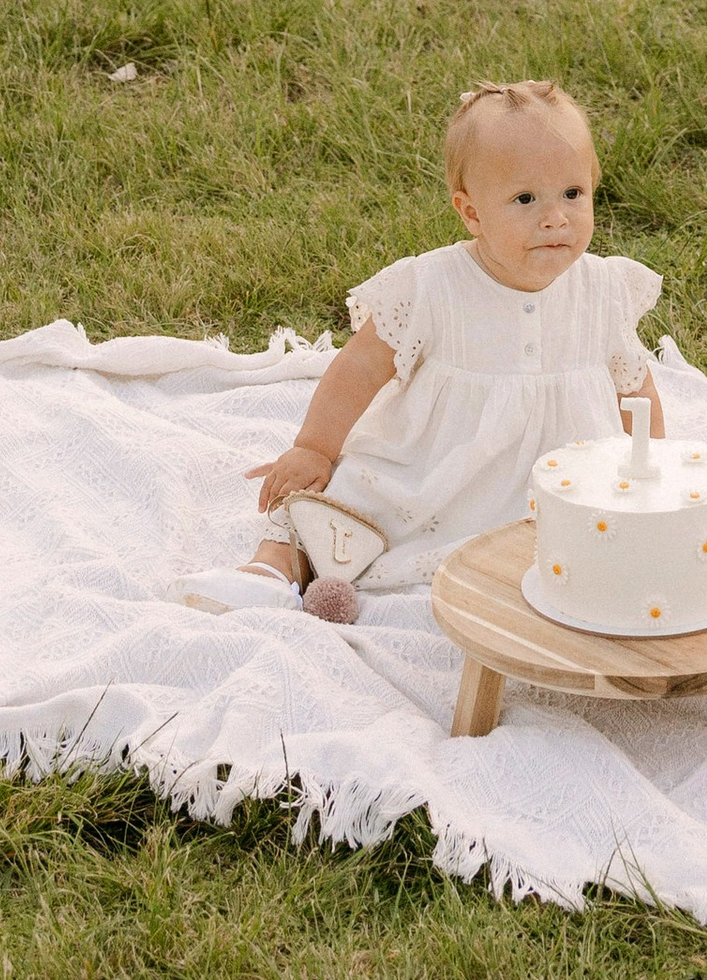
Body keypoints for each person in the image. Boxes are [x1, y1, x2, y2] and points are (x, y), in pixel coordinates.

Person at [190, 81, 663, 622]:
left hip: (556, 480)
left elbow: (635, 389)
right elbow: (361, 365)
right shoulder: (432, 287)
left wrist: (654, 469)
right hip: (434, 465)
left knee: (592, 543)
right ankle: (274, 569)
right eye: (526, 199)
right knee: (349, 500)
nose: (555, 217)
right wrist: (315, 447)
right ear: (472, 212)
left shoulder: (603, 290)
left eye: (573, 194)